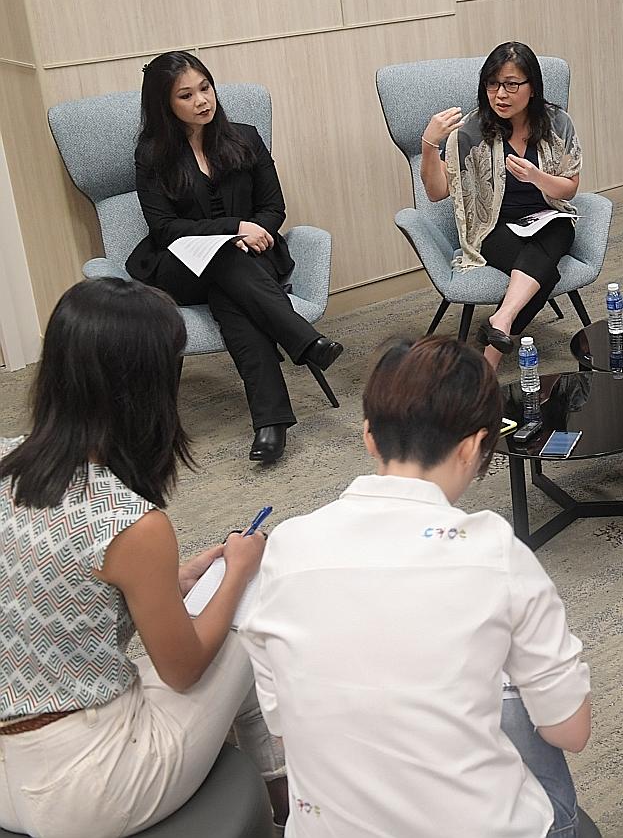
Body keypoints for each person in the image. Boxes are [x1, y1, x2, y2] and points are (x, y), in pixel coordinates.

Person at [241, 336, 592, 837]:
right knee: (515, 699)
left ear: (368, 437)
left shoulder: (288, 547)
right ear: (474, 446)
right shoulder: (495, 551)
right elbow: (570, 731)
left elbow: (280, 722)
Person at [0, 278, 285, 838]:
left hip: (10, 780)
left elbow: (44, 585)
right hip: (91, 788)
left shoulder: (7, 459)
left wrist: (168, 580)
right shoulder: (131, 522)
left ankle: (272, 803)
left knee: (210, 610)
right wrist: (240, 571)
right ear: (146, 385)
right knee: (246, 624)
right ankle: (284, 804)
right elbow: (184, 670)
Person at [132, 50, 343, 464]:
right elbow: (164, 228)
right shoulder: (152, 155)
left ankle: (271, 424)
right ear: (165, 105)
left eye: (205, 88)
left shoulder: (245, 137)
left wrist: (252, 232)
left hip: (248, 258)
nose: (202, 101)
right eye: (186, 95)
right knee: (223, 260)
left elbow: (272, 206)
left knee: (232, 295)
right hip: (182, 265)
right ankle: (303, 339)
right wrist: (233, 230)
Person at [420, 41, 583, 368]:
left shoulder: (556, 123)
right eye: (492, 85)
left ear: (532, 87)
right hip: (493, 227)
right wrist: (429, 143)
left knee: (559, 230)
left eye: (511, 84)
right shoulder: (471, 130)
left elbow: (569, 189)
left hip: (548, 218)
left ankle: (500, 324)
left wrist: (537, 178)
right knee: (544, 272)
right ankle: (495, 343)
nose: (501, 94)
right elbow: (437, 192)